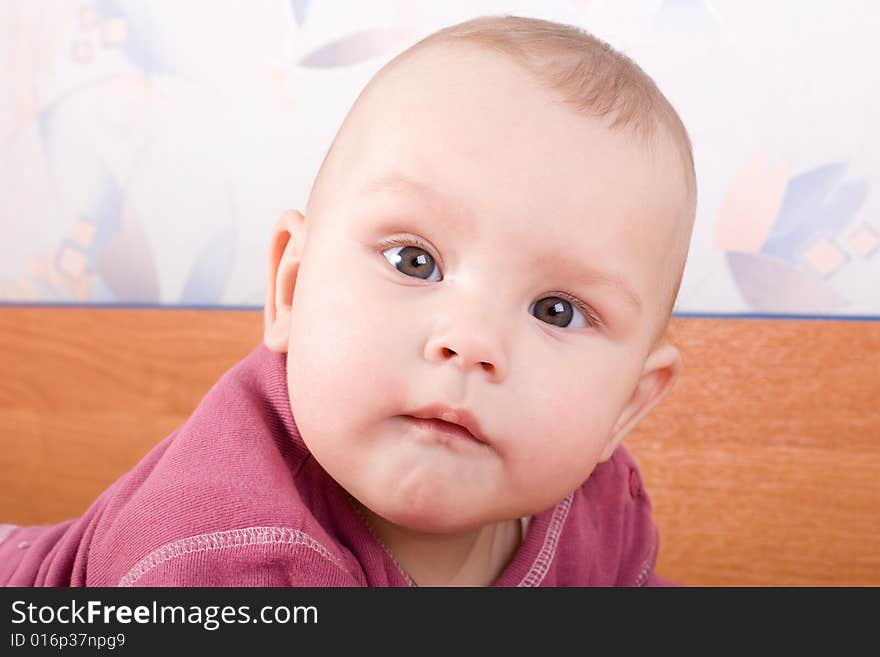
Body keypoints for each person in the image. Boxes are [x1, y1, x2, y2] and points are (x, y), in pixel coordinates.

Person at [1, 14, 696, 587]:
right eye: (414, 261)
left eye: (557, 310)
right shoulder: (222, 554)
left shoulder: (600, 513)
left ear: (627, 404)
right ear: (291, 291)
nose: (470, 340)